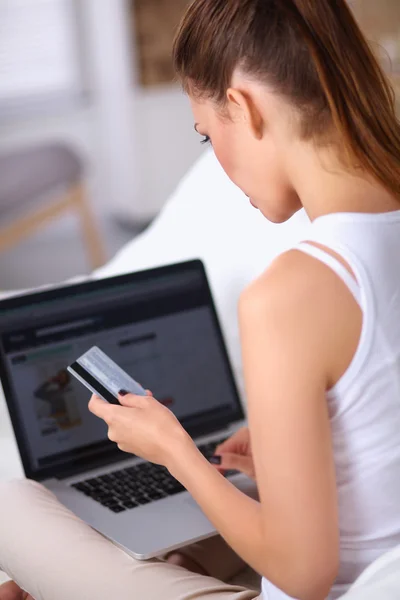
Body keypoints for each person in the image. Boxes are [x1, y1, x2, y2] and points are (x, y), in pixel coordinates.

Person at [2, 0, 400, 599]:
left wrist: (176, 454)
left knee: (12, 507)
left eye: (209, 135)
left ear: (242, 106)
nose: (218, 160)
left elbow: (305, 573)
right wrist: (291, 463)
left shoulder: (293, 291)